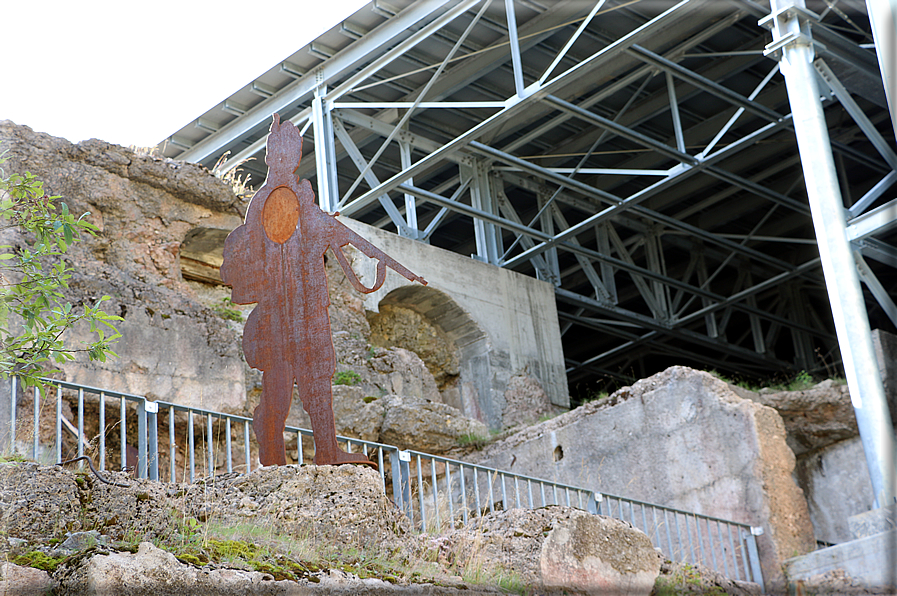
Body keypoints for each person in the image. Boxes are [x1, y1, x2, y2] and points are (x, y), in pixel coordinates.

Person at [220, 114, 426, 467]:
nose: (287, 161)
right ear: (271, 157)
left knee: (317, 380)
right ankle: (273, 454)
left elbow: (320, 234)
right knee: (281, 383)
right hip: (283, 314)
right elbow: (289, 241)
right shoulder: (273, 200)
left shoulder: (295, 197)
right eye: (281, 154)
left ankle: (327, 451)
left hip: (306, 311)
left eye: (292, 154)